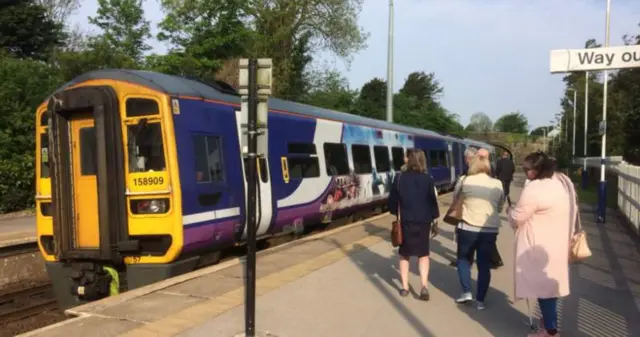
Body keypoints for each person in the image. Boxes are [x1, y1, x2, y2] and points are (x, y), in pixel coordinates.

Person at [509, 152, 575, 337]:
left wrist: (509, 211)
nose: (525, 172)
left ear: (536, 170)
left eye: (527, 169)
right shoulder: (560, 182)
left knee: (544, 291)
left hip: (538, 246)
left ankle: (550, 332)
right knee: (549, 291)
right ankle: (547, 327)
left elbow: (517, 218)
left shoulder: (534, 189)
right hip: (557, 245)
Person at [453, 154, 504, 310]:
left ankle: (466, 292)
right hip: (489, 230)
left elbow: (456, 200)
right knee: (484, 265)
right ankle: (480, 301)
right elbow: (500, 207)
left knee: (463, 259)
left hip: (467, 227)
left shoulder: (464, 180)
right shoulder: (497, 183)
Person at [388, 149, 440, 301]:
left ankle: (404, 287)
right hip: (424, 221)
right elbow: (432, 201)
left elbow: (392, 201)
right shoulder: (427, 179)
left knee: (404, 254)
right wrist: (434, 217)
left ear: (409, 160)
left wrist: (395, 212)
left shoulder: (399, 178)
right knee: (423, 254)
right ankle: (424, 286)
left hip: (406, 220)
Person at [475, 148, 505, 270]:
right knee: (487, 241)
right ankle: (494, 259)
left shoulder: (484, 169)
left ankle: (494, 259)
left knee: (484, 241)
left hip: (484, 213)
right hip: (488, 215)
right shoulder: (491, 168)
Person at [449, 147, 477, 267]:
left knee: (464, 238)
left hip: (465, 210)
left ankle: (464, 260)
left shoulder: (466, 174)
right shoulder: (486, 172)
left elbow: (457, 193)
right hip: (480, 213)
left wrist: (454, 204)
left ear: (467, 158)